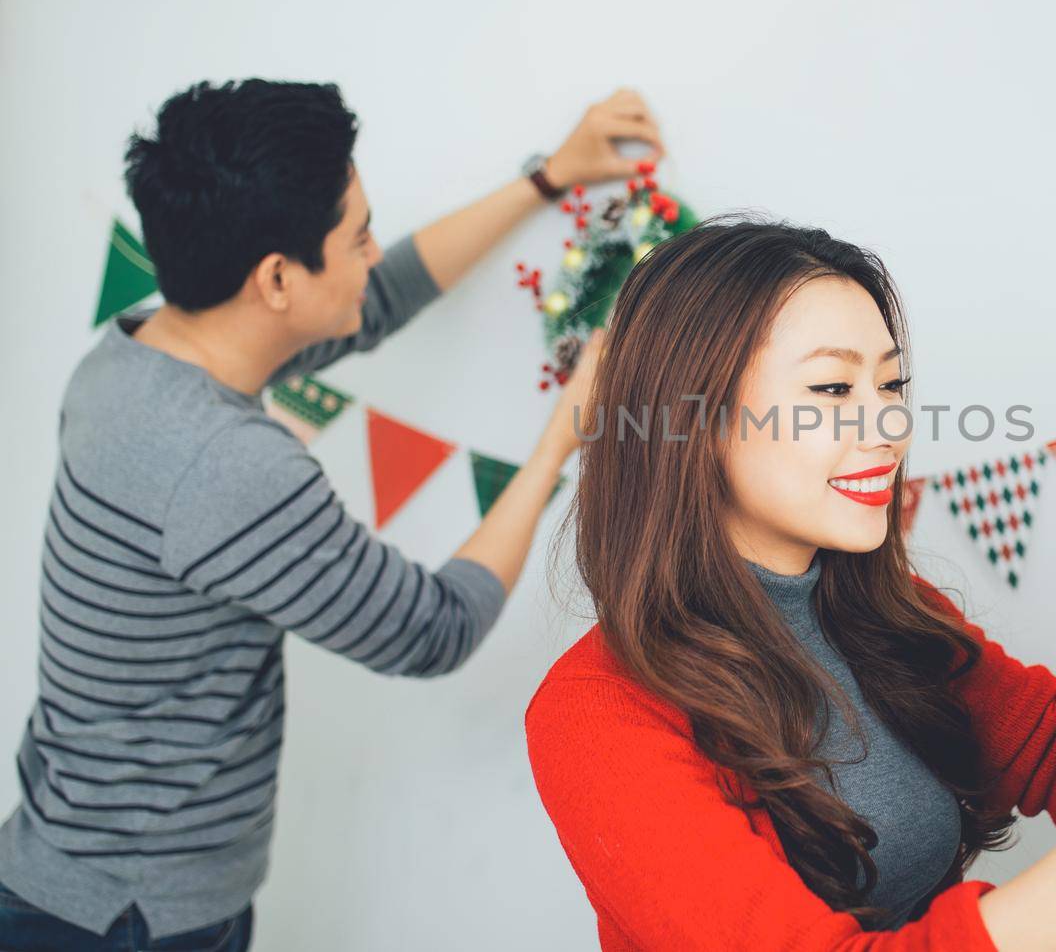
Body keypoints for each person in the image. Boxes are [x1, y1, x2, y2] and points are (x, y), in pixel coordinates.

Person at [524, 217, 1056, 951]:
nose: (889, 425)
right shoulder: (595, 715)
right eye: (832, 388)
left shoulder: (882, 613)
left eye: (892, 384)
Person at [0, 79, 657, 950]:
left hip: (61, 869)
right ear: (276, 279)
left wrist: (546, 180)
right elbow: (436, 628)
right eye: (357, 236)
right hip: (133, 916)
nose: (372, 251)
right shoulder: (227, 466)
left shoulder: (133, 351)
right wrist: (554, 447)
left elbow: (374, 299)